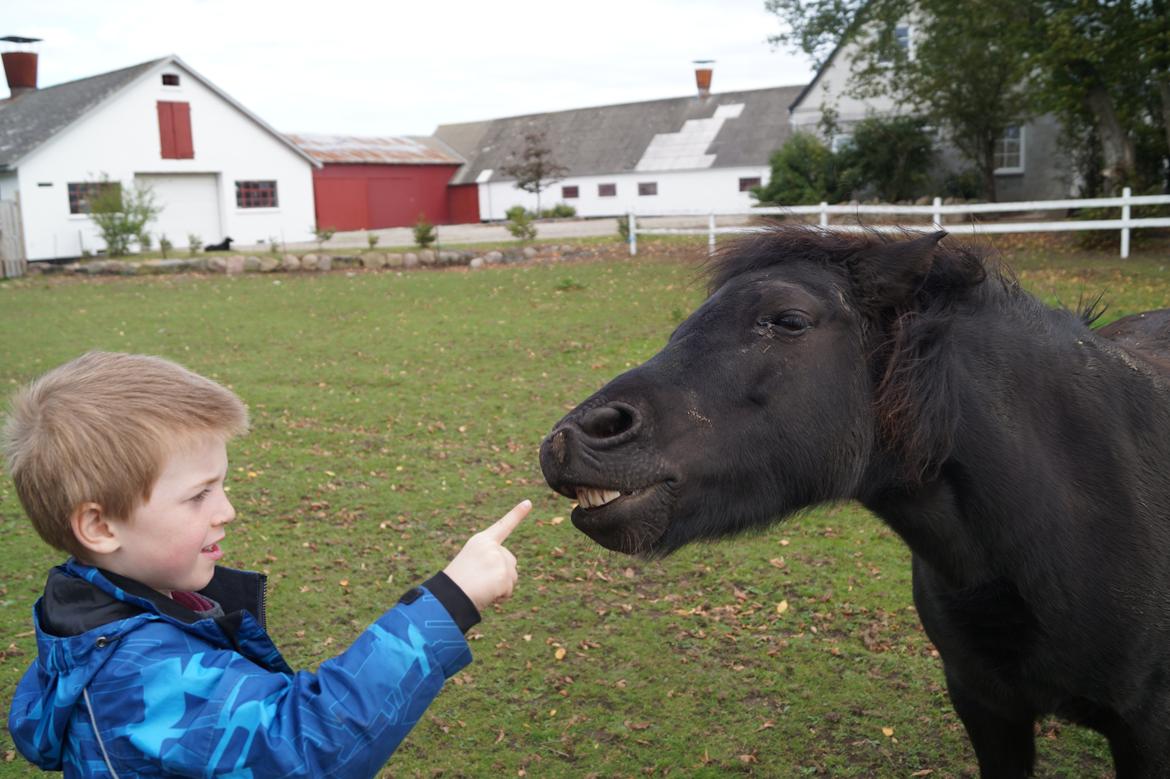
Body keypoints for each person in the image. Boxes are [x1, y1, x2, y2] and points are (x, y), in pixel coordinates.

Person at [3, 351, 530, 777]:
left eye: (222, 485)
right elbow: (305, 747)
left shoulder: (89, 622)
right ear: (99, 527)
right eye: (198, 495)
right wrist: (450, 601)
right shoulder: (138, 671)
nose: (226, 510)